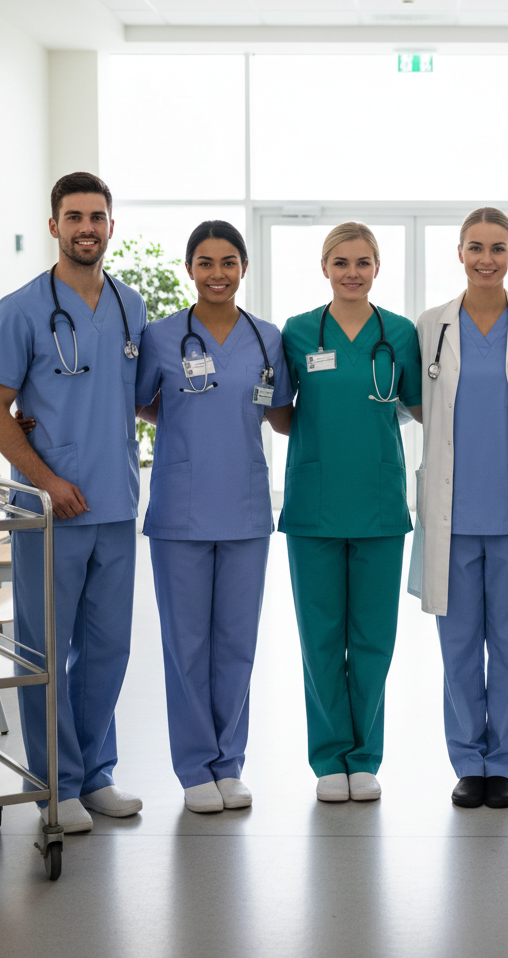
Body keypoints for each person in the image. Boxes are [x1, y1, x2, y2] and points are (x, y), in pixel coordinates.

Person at [0, 172, 147, 834]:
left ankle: (95, 775)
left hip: (114, 502)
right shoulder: (21, 308)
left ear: (110, 226)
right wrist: (44, 478)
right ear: (54, 226)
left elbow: (138, 396)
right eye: (74, 216)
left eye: (97, 216)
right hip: (52, 511)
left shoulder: (131, 306)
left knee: (108, 650)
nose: (86, 227)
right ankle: (56, 783)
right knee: (48, 648)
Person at [134, 221, 293, 814]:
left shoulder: (267, 337)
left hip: (247, 510)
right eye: (205, 263)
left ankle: (230, 763)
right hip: (180, 511)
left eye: (229, 262)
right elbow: (142, 401)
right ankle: (195, 767)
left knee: (236, 643)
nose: (218, 273)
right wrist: (184, 430)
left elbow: (279, 411)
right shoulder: (160, 336)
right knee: (186, 645)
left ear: (244, 268)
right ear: (189, 269)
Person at [412, 207, 508, 809]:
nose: (486, 259)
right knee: (459, 646)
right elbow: (419, 403)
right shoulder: (431, 326)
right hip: (452, 512)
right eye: (476, 248)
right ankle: (470, 762)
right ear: (460, 253)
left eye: (498, 248)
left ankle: (506, 764)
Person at [279, 222, 422, 803]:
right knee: (320, 637)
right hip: (313, 506)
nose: (352, 272)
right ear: (325, 268)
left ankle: (363, 757)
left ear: (377, 268)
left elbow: (415, 406)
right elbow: (278, 410)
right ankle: (327, 758)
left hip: (380, 505)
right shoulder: (297, 332)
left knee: (372, 638)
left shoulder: (401, 333)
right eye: (341, 262)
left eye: (363, 262)